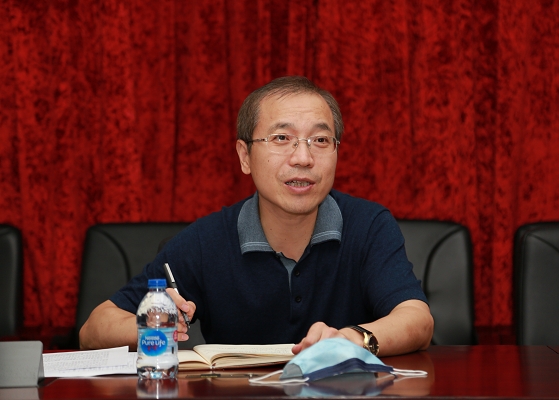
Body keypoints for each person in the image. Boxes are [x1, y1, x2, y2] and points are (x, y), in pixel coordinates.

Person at [79, 76, 434, 356]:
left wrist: (353, 339)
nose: (303, 158)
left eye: (320, 141)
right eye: (281, 138)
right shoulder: (206, 241)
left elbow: (417, 320)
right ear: (244, 156)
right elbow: (93, 330)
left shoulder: (368, 225)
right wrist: (153, 321)